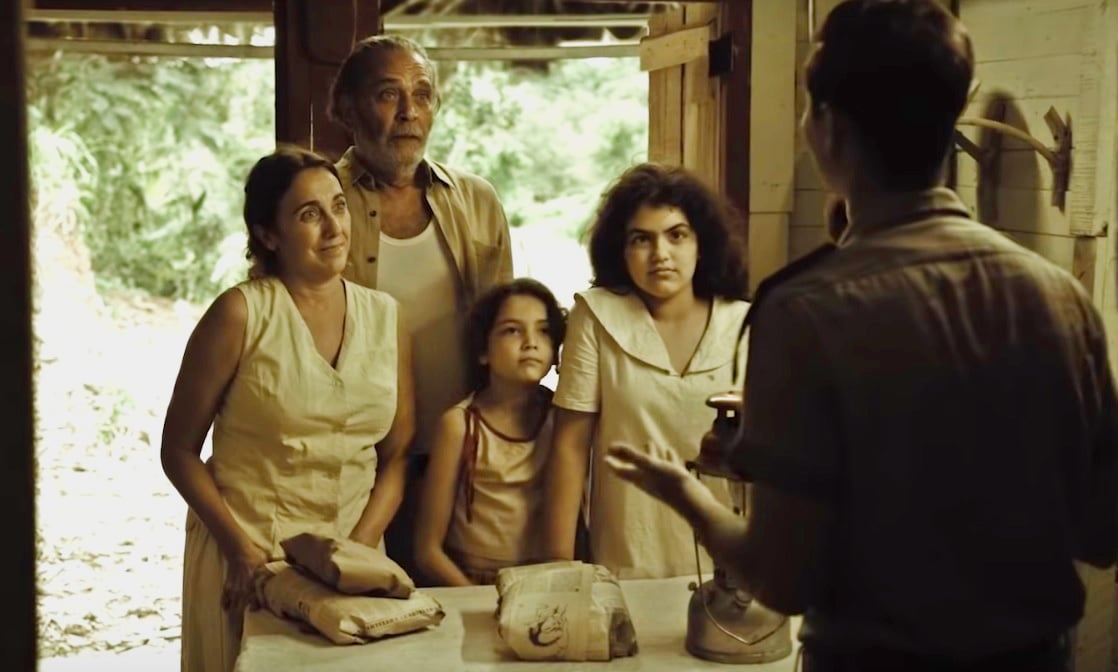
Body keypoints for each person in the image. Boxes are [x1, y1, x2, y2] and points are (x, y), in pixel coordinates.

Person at [605, 1, 1118, 670]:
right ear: (949, 120)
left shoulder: (806, 311)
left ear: (828, 130)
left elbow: (782, 580)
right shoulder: (1060, 298)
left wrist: (685, 496)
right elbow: (1102, 531)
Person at [161, 147, 415, 672]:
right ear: (269, 235)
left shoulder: (386, 317)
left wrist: (358, 551)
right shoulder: (240, 314)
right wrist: (239, 550)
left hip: (355, 557)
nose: (334, 228)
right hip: (250, 557)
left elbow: (397, 455)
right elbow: (178, 451)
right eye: (309, 214)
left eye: (338, 206)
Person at [327, 34, 513, 577]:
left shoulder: (477, 200)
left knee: (457, 609)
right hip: (356, 462)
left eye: (423, 94)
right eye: (388, 94)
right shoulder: (323, 202)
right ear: (348, 111)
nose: (409, 111)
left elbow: (504, 327)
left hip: (462, 458)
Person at [542, 162, 751, 580]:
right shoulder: (597, 315)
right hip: (627, 553)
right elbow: (569, 447)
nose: (660, 254)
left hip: (730, 557)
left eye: (677, 235)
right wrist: (559, 568)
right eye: (641, 239)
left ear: (701, 243)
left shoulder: (745, 323)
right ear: (621, 250)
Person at [415, 278, 566, 586]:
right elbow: (427, 550)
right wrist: (476, 596)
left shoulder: (562, 421)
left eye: (543, 331)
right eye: (512, 330)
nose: (531, 342)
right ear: (483, 351)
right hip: (471, 582)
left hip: (542, 586)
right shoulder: (460, 425)